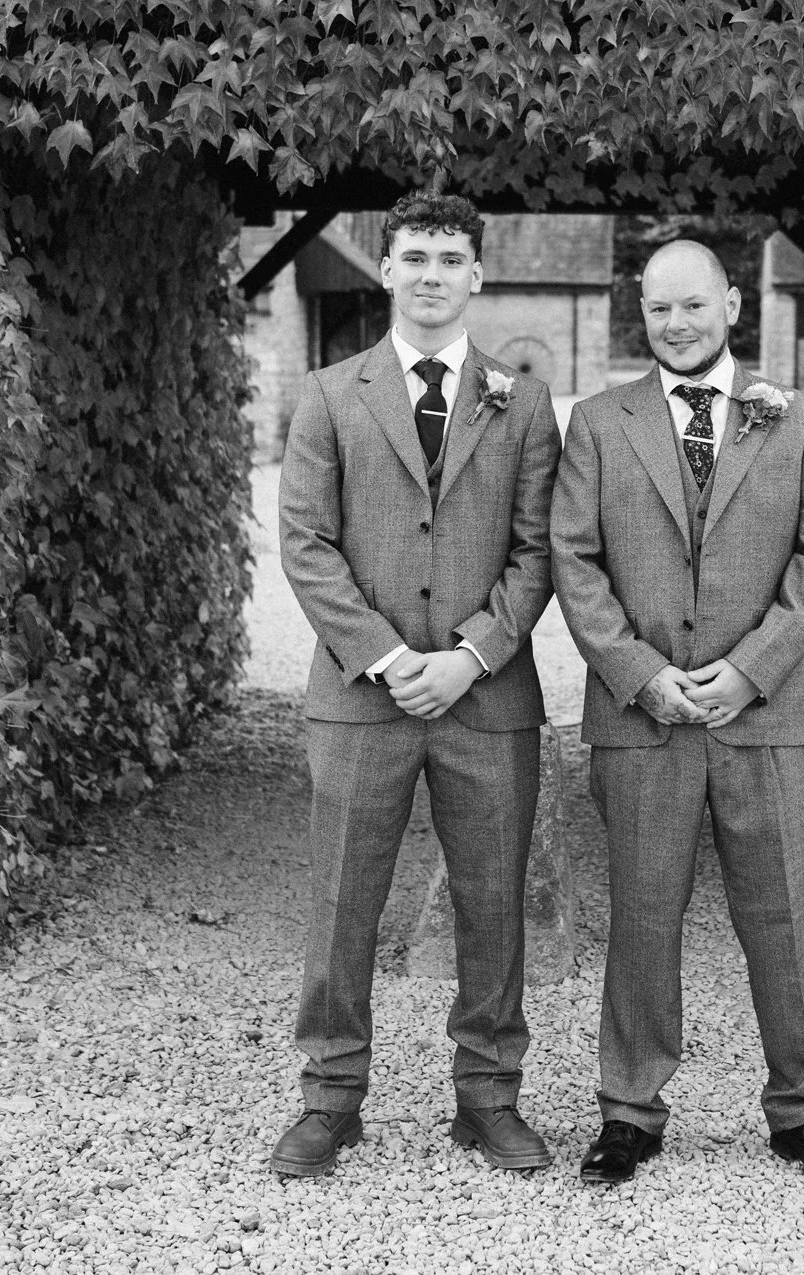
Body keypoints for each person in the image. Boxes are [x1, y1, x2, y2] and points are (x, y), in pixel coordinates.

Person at [549, 238, 804, 1187]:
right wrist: (641, 673)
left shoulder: (798, 419)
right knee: (642, 913)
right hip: (642, 718)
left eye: (693, 305)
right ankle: (629, 1111)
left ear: (731, 303)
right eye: (659, 309)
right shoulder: (598, 423)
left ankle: (803, 1110)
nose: (676, 324)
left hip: (762, 716)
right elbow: (575, 562)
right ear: (640, 313)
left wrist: (751, 670)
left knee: (779, 914)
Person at [273, 193, 562, 1178]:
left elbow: (538, 551)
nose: (432, 273)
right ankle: (329, 1097)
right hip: (362, 696)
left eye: (450, 257)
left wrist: (470, 654)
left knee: (493, 901)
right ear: (387, 268)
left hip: (487, 697)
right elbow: (306, 545)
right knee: (342, 898)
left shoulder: (524, 404)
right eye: (416, 256)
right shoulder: (329, 393)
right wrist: (393, 659)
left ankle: (488, 1096)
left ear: (477, 274)